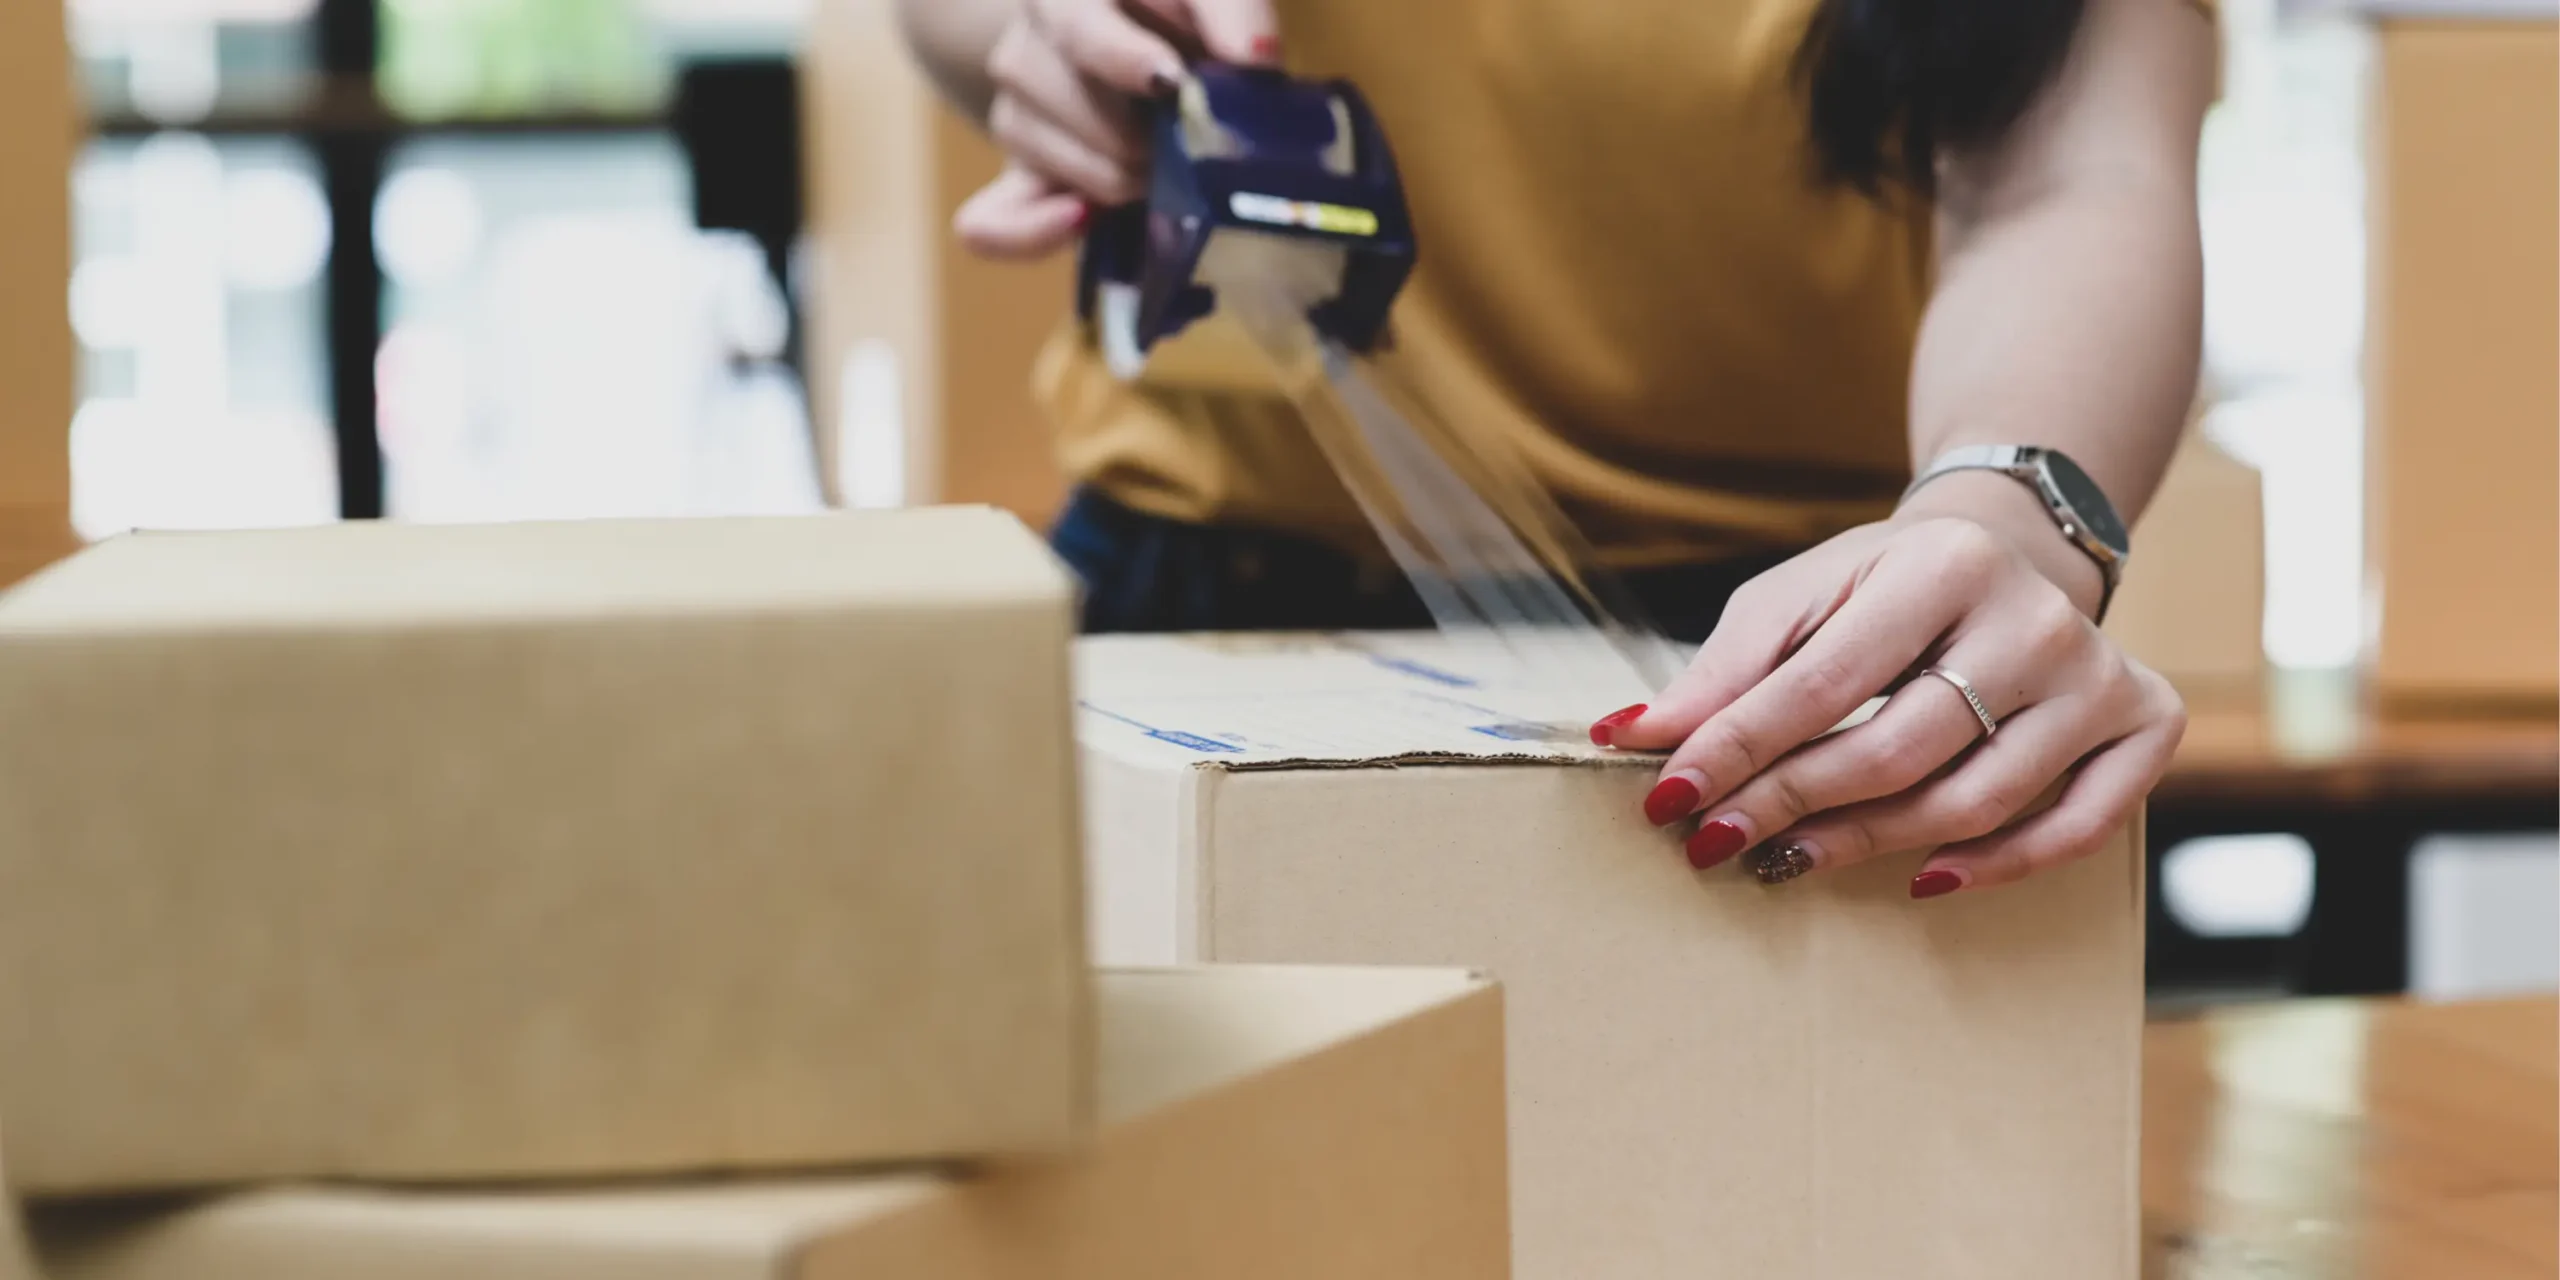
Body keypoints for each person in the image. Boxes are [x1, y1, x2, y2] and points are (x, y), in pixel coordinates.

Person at [895, 0, 2208, 897]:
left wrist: (2003, 521)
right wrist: (1035, 37)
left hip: (1783, 672)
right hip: (1192, 603)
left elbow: (2080, 174)